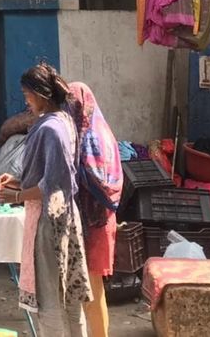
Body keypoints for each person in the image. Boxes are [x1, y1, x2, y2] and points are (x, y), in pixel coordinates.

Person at [0, 63, 90, 337]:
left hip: (50, 222)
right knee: (69, 298)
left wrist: (16, 195)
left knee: (50, 299)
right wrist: (15, 182)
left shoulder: (51, 129)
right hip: (64, 217)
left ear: (40, 93)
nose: (26, 100)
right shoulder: (63, 121)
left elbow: (52, 184)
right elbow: (52, 174)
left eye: (27, 94)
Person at [66, 81, 123, 337]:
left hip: (95, 220)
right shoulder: (100, 130)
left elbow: (95, 177)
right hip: (100, 217)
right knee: (89, 287)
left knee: (92, 287)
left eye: (71, 105)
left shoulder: (90, 137)